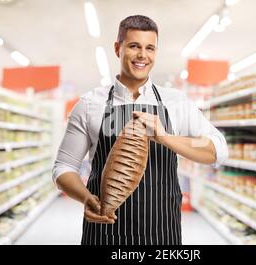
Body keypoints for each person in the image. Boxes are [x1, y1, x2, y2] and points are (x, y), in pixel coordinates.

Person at [53, 15, 228, 245]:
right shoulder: (89, 105)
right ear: (118, 48)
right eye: (134, 46)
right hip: (104, 234)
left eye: (150, 48)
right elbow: (64, 167)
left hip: (162, 234)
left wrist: (165, 137)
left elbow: (217, 148)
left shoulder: (176, 103)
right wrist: (86, 198)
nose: (142, 55)